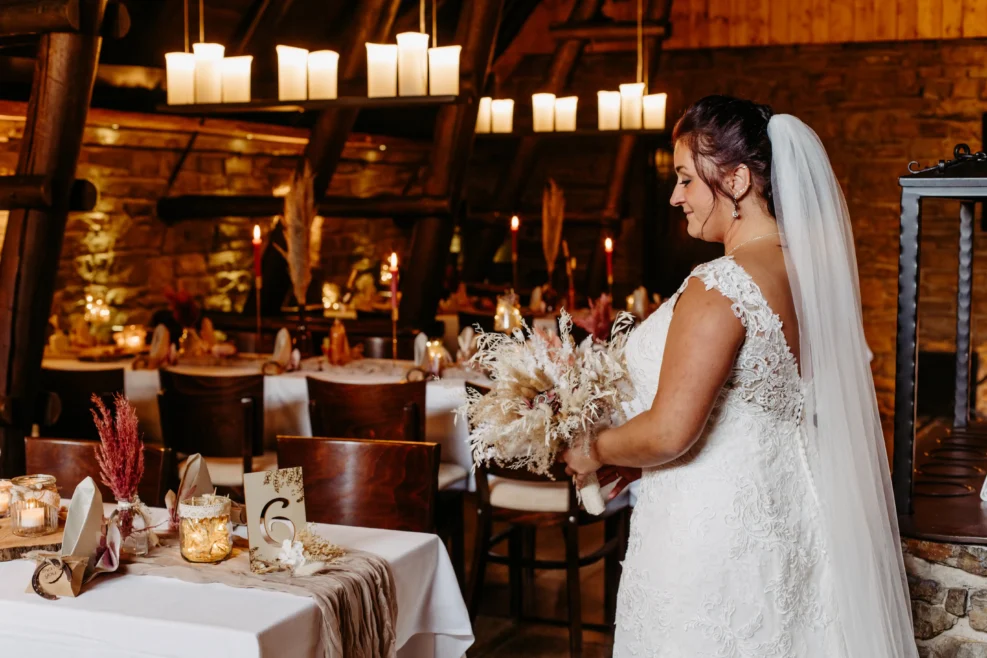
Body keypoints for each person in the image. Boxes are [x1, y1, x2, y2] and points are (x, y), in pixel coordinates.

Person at [563, 95, 916, 657]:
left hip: (714, 543)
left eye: (685, 179)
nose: (675, 196)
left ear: (737, 179)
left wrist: (593, 449)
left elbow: (672, 430)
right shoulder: (805, 272)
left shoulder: (720, 284)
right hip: (794, 523)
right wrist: (638, 459)